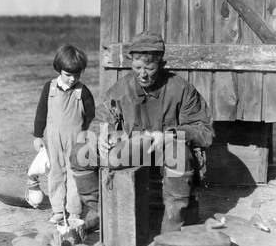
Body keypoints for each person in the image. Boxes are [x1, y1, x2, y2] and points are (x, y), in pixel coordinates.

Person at [70, 31, 214, 234]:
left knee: (179, 155)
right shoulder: (120, 90)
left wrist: (169, 136)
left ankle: (171, 233)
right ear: (131, 63)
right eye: (137, 68)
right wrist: (102, 134)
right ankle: (105, 211)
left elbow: (204, 132)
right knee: (80, 153)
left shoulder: (182, 90)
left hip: (166, 150)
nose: (143, 74)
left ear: (162, 65)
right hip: (132, 152)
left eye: (150, 68)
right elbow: (100, 120)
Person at [33, 45, 95, 224]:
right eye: (68, 74)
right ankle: (58, 210)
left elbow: (92, 118)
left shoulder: (82, 91)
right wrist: (38, 135)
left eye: (77, 75)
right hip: (53, 141)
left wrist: (89, 139)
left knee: (75, 175)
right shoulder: (49, 88)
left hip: (76, 142)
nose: (72, 79)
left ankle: (74, 210)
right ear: (58, 69)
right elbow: (41, 112)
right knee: (55, 173)